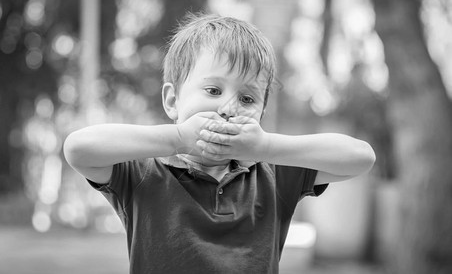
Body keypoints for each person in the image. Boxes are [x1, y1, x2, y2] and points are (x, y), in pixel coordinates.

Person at [64, 14, 375, 274]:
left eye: (247, 98)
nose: (228, 108)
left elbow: (361, 157)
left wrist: (265, 147)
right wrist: (177, 139)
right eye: (213, 90)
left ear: (261, 114)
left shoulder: (273, 176)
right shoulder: (144, 174)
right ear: (173, 101)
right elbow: (78, 149)